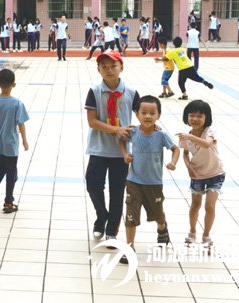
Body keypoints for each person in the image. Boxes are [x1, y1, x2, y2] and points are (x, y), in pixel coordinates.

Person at [85, 50, 140, 243]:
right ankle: (102, 216)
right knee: (93, 185)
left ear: (121, 67)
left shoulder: (131, 93)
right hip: (99, 148)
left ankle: (112, 228)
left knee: (117, 192)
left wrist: (151, 127)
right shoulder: (94, 91)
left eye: (113, 66)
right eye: (104, 67)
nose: (109, 70)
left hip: (121, 152)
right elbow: (92, 121)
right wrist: (116, 129)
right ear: (98, 69)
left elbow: (143, 114)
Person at [118, 95, 179, 264]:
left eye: (152, 113)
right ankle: (129, 247)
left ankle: (162, 228)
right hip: (133, 181)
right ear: (137, 114)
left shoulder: (161, 135)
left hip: (154, 183)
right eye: (143, 112)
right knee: (131, 215)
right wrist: (125, 155)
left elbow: (175, 149)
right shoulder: (133, 132)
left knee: (157, 213)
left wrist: (173, 163)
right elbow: (122, 141)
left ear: (158, 115)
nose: (148, 116)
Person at [177, 100, 225, 248]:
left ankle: (206, 235)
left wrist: (189, 137)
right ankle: (192, 233)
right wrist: (188, 166)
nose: (195, 119)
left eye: (199, 116)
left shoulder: (209, 132)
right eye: (191, 115)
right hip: (197, 175)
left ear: (206, 118)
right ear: (186, 117)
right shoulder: (185, 137)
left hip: (216, 174)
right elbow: (185, 153)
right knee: (195, 205)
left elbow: (206, 143)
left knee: (210, 206)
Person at [0, 68, 29, 213]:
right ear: (14, 85)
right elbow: (21, 123)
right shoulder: (17, 103)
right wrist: (24, 140)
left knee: (2, 166)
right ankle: (9, 202)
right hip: (11, 143)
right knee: (11, 173)